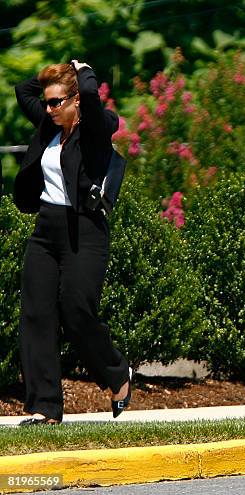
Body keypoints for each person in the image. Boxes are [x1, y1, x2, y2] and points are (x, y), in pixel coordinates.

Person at [14, 60, 131, 425]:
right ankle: (44, 408)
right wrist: (52, 76)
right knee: (37, 314)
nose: (48, 109)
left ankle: (117, 375)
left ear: (75, 100)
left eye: (56, 102)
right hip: (47, 228)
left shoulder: (96, 128)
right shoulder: (48, 124)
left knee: (78, 312)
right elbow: (22, 90)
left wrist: (83, 70)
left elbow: (94, 96)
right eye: (47, 103)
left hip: (85, 229)